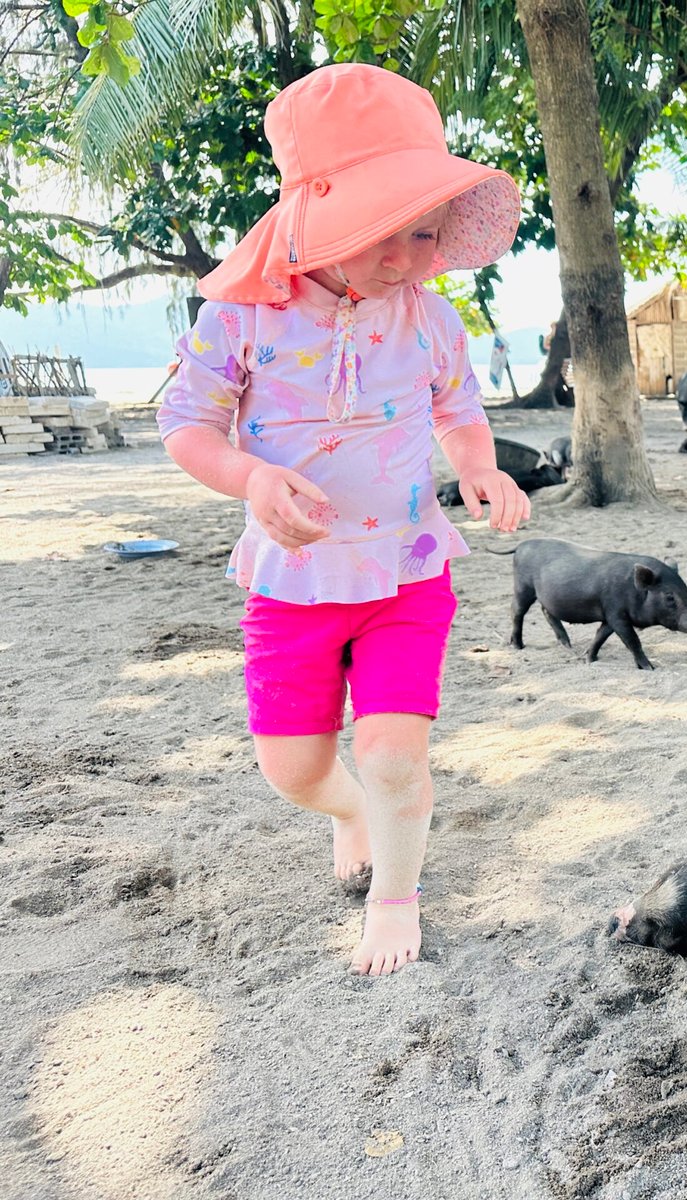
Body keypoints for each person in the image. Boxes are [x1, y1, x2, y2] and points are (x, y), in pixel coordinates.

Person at [157, 64, 529, 976]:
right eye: (384, 231)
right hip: (294, 579)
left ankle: (395, 899)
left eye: (425, 230)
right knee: (293, 771)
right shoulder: (237, 320)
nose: (407, 255)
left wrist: (477, 467)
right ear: (316, 215)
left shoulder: (431, 320)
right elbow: (186, 425)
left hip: (407, 570)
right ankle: (347, 812)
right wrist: (250, 480)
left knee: (394, 754)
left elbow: (457, 408)